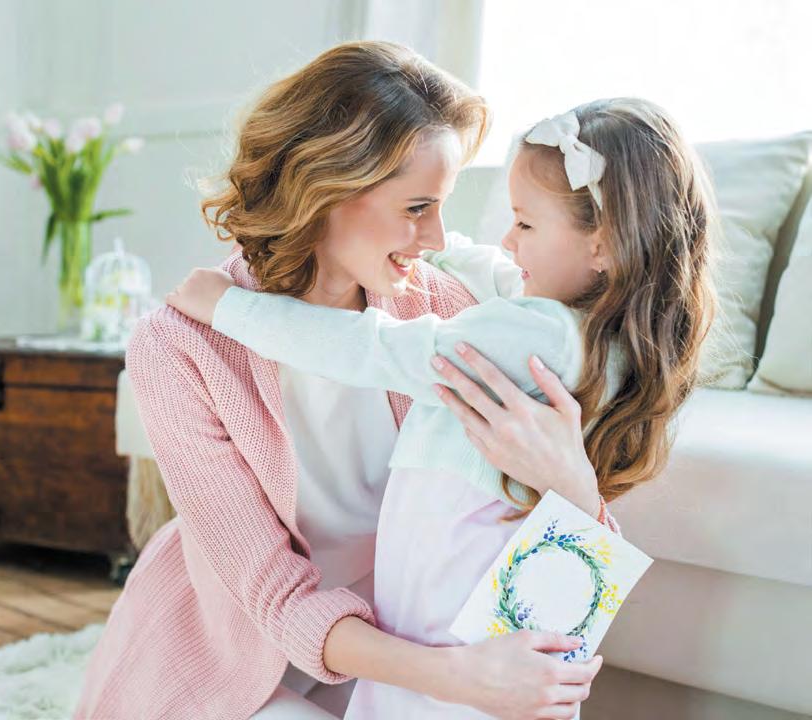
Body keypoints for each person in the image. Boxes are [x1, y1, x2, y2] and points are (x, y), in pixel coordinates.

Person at [75, 42, 611, 720]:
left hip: (402, 650)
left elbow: (556, 526)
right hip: (239, 662)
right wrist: (461, 677)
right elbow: (275, 597)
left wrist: (573, 483)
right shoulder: (180, 346)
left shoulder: (443, 311)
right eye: (417, 207)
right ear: (325, 189)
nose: (436, 239)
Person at [167, 98, 717, 718]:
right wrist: (439, 247)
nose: (507, 240)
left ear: (604, 245)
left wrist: (230, 309)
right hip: (470, 583)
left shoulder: (535, 332)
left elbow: (374, 348)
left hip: (448, 583)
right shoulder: (599, 333)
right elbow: (497, 268)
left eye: (525, 225)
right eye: (417, 208)